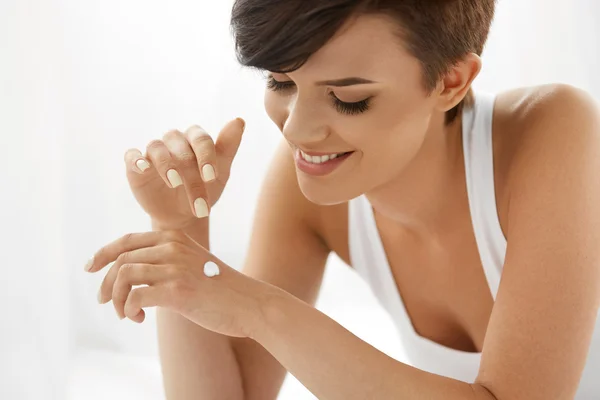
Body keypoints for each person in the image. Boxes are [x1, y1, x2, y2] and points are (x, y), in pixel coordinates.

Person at [86, 0, 600, 398]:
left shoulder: (553, 132)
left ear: (450, 81)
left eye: (348, 98)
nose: (297, 128)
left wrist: (256, 306)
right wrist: (179, 228)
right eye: (280, 81)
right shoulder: (309, 184)